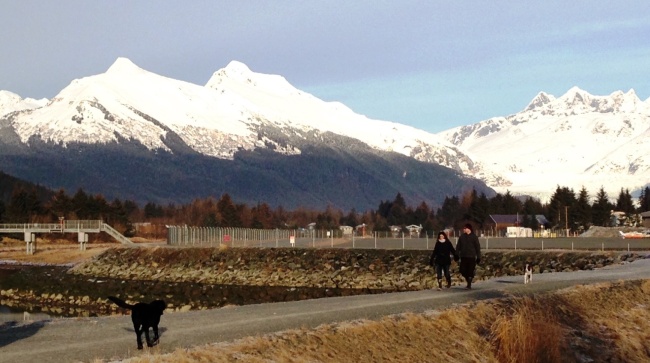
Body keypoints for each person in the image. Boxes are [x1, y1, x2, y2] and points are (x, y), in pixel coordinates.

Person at [456, 223, 481, 289]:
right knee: (462, 270)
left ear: (469, 229)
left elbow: (477, 247)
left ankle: (469, 284)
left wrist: (478, 257)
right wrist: (456, 254)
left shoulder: (474, 237)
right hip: (463, 256)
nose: (464, 229)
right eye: (463, 228)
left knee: (470, 270)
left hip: (471, 256)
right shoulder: (462, 237)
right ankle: (468, 280)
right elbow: (458, 246)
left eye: (465, 228)